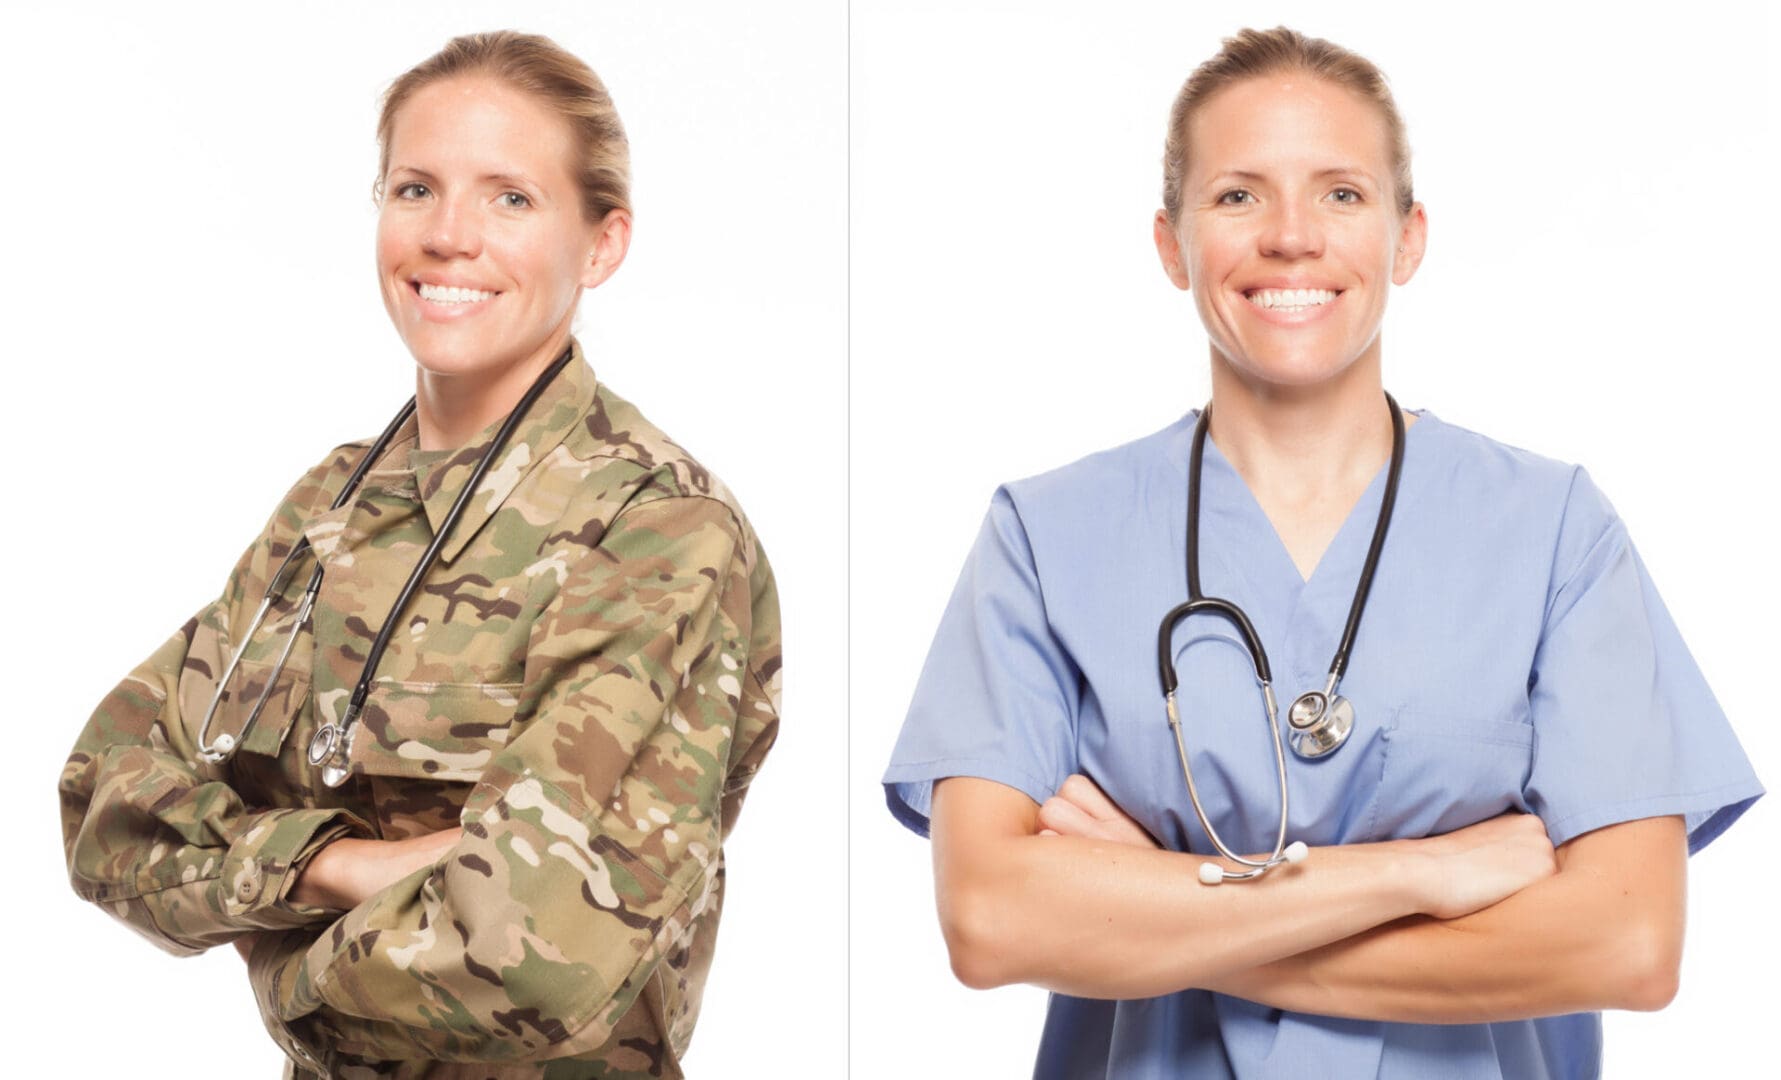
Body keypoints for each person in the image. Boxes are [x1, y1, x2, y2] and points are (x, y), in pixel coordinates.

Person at [882, 25, 1761, 1080]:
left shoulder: (1551, 530)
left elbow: (1626, 944)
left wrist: (1177, 907)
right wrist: (1414, 874)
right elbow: (989, 922)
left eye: (1340, 194)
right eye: (1237, 195)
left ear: (1406, 237)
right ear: (1169, 242)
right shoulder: (1045, 536)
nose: (1290, 237)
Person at [58, 30, 781, 1079]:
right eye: (413, 189)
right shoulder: (331, 506)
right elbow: (105, 803)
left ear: (601, 244)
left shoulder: (657, 529)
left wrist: (276, 963)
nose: (448, 236)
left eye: (510, 199)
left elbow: (532, 960)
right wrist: (336, 868)